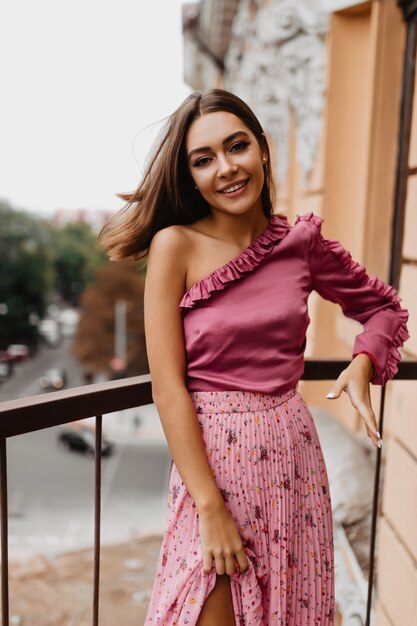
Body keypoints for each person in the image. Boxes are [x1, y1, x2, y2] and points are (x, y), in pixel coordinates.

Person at [98, 89, 410, 625]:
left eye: (236, 146)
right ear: (190, 176)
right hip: (213, 465)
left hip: (293, 457)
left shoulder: (301, 244)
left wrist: (363, 363)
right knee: (202, 604)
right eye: (204, 159)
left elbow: (384, 309)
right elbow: (167, 386)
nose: (226, 168)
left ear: (262, 149)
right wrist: (209, 506)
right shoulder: (176, 246)